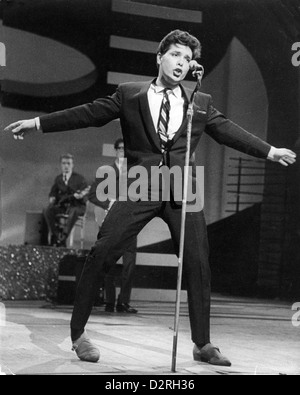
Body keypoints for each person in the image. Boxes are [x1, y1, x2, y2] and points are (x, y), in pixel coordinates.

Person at [4, 30, 296, 367]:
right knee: (102, 251)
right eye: (175, 55)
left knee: (199, 262)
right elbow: (87, 112)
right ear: (160, 57)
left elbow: (229, 131)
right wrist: (39, 122)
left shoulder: (199, 102)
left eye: (187, 59)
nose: (181, 63)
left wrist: (270, 151)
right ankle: (78, 335)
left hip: (183, 190)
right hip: (141, 185)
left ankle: (203, 343)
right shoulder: (130, 94)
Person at [89, 138, 138, 314]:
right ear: (116, 151)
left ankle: (123, 302)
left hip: (130, 222)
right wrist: (109, 202)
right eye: (121, 149)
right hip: (111, 221)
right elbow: (92, 194)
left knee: (130, 263)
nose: (123, 152)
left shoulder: (135, 172)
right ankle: (110, 301)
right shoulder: (106, 171)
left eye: (127, 149)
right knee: (109, 261)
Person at [44, 154, 89, 247]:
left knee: (74, 211)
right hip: (63, 207)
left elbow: (86, 194)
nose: (66, 166)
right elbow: (53, 192)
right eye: (64, 163)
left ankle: (63, 237)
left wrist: (80, 196)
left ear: (72, 165)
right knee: (48, 210)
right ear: (61, 165)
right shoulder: (59, 179)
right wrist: (52, 197)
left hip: (77, 206)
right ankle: (56, 235)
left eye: (68, 163)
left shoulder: (79, 179)